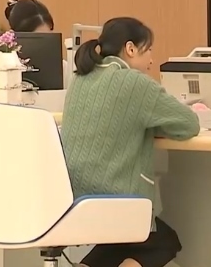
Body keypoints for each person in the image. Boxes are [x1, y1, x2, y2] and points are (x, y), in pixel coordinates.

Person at [61, 17, 200, 267]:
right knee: (164, 241)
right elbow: (189, 124)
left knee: (122, 244)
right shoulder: (135, 83)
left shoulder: (80, 79)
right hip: (114, 203)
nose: (152, 60)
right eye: (149, 50)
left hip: (72, 202)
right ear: (130, 49)